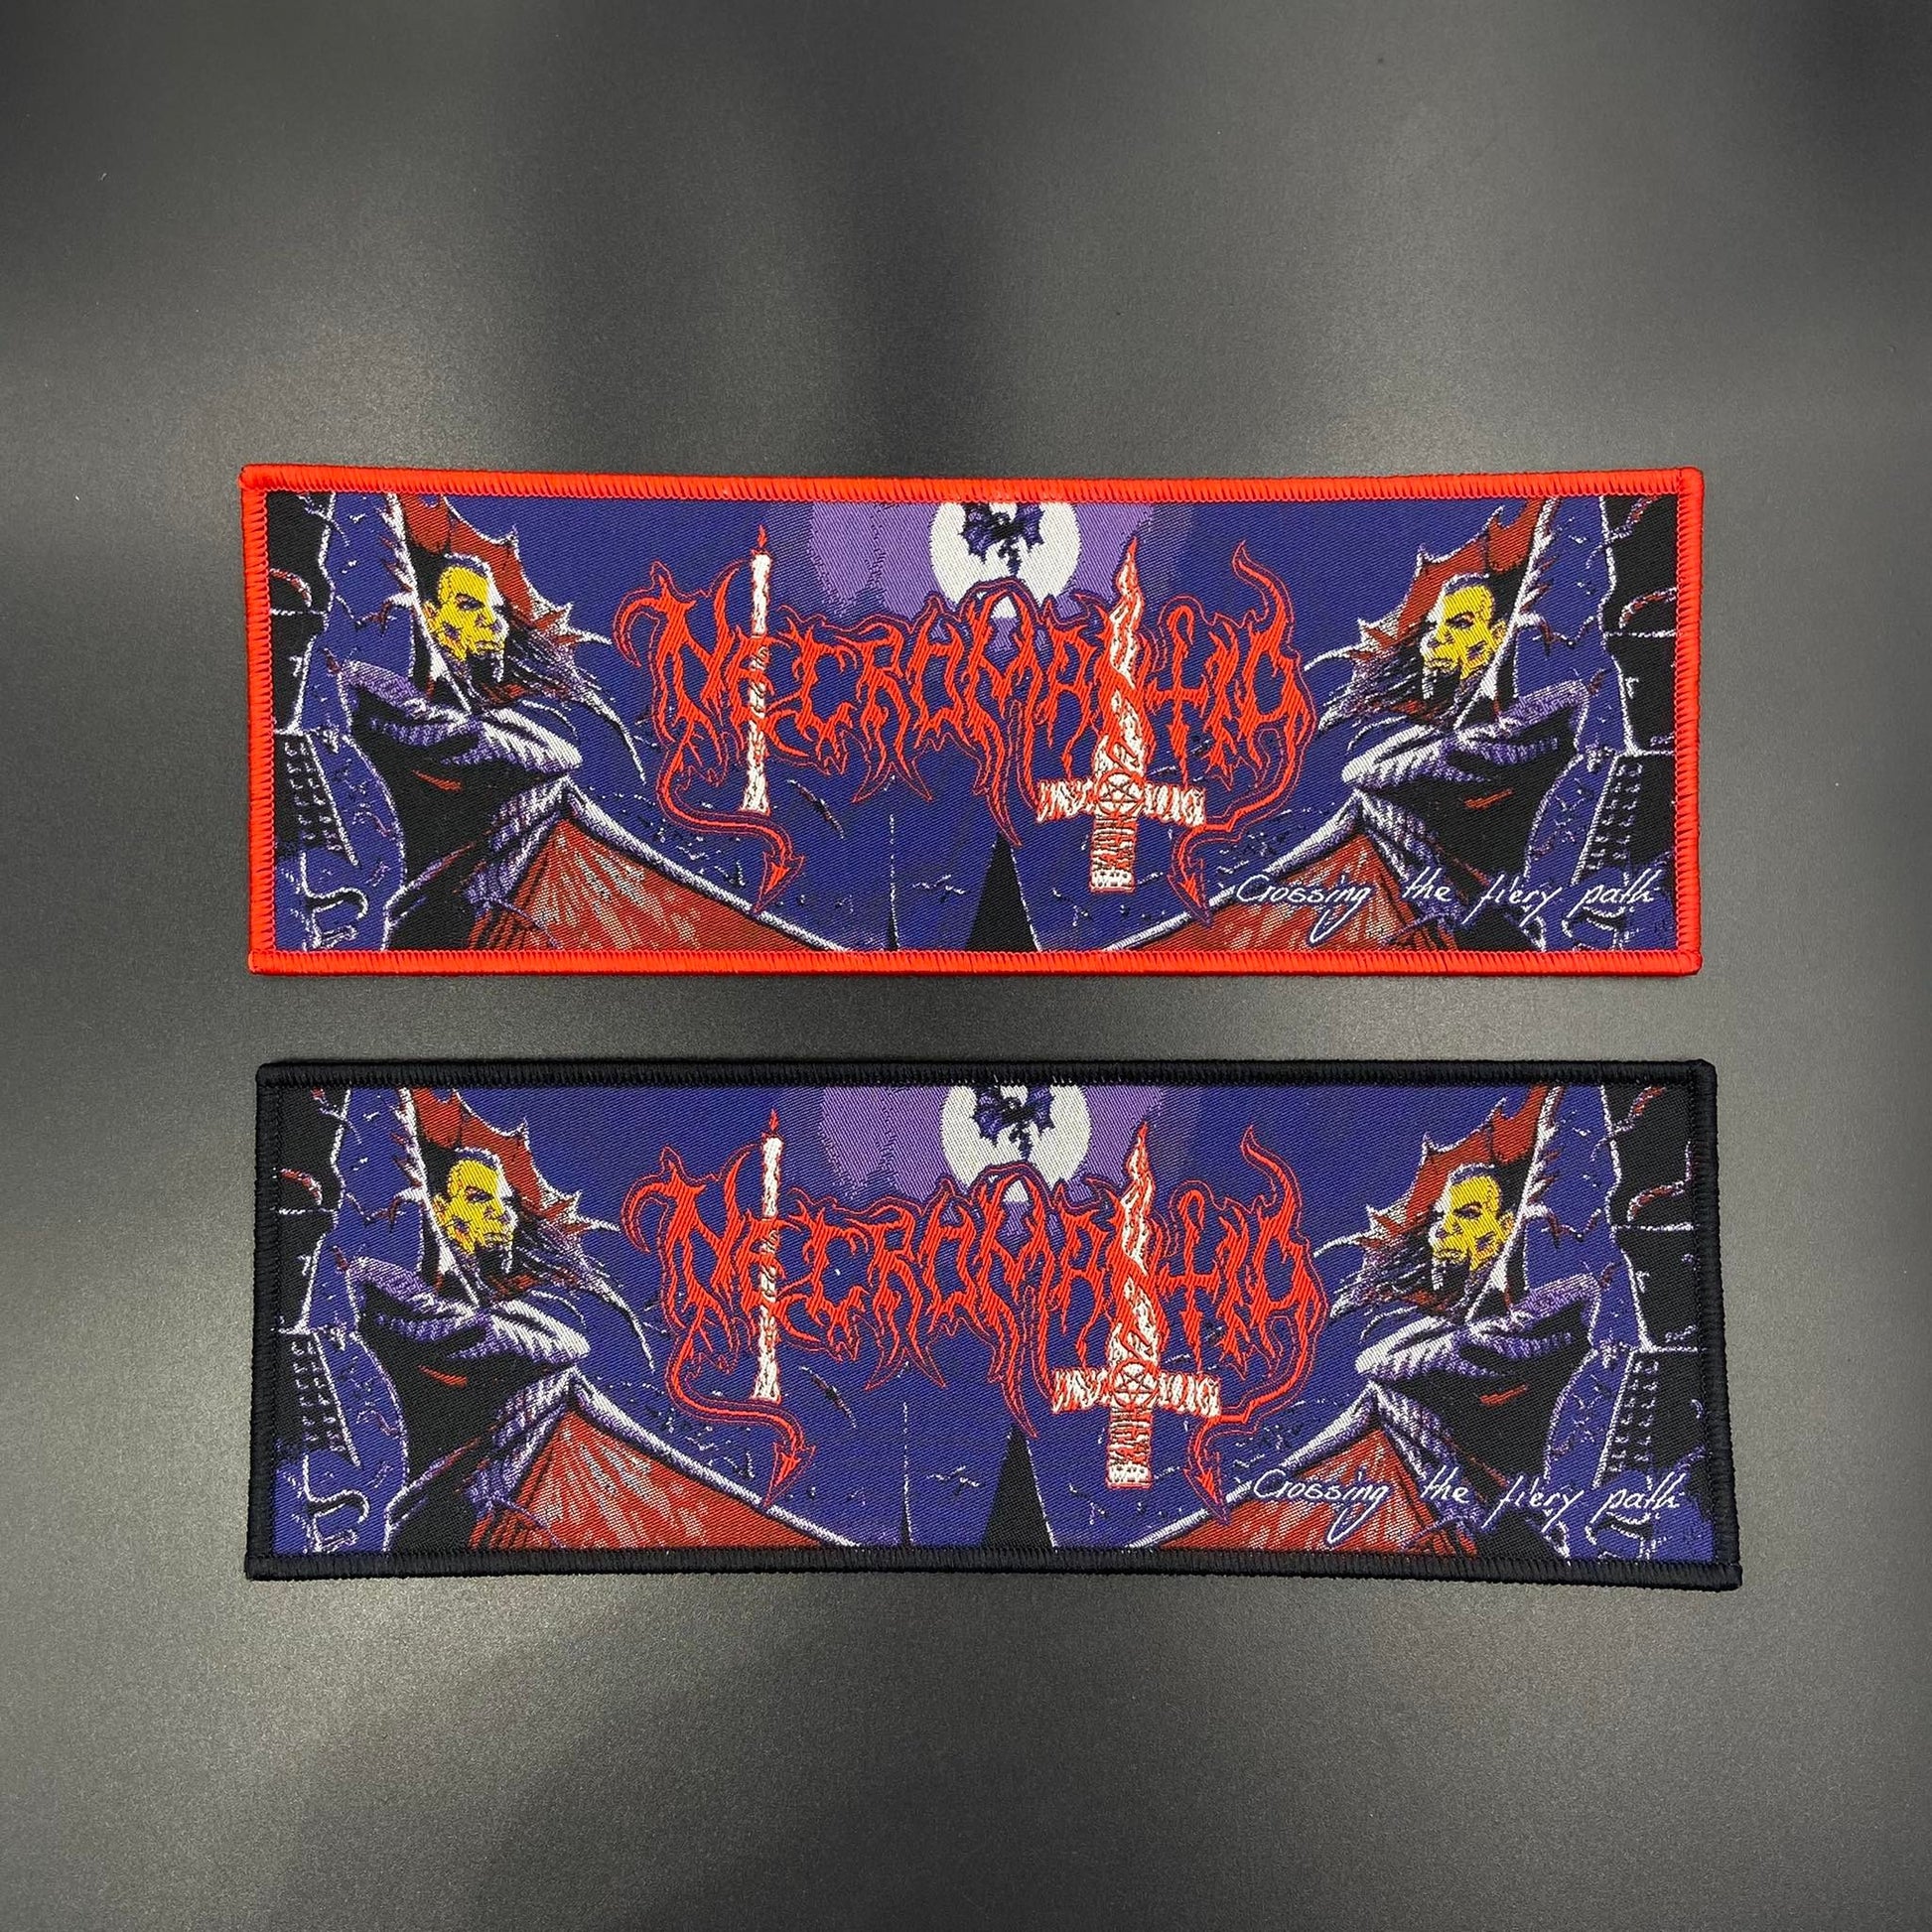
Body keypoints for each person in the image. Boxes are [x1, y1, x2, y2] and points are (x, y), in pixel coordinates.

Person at [348, 1090, 811, 1552]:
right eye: (477, 1198)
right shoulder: (384, 1282)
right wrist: (556, 1340)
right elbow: (486, 1338)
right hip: (446, 1522)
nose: (500, 1214)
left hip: (516, 1507)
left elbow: (577, 1381)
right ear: (441, 1210)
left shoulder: (496, 1305)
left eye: (505, 1203)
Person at [341, 495, 801, 952]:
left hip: (513, 911)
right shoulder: (377, 686)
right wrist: (556, 753)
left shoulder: (484, 709)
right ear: (431, 618)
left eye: (496, 612)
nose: (492, 625)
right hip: (445, 926)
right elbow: (474, 744)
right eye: (468, 606)